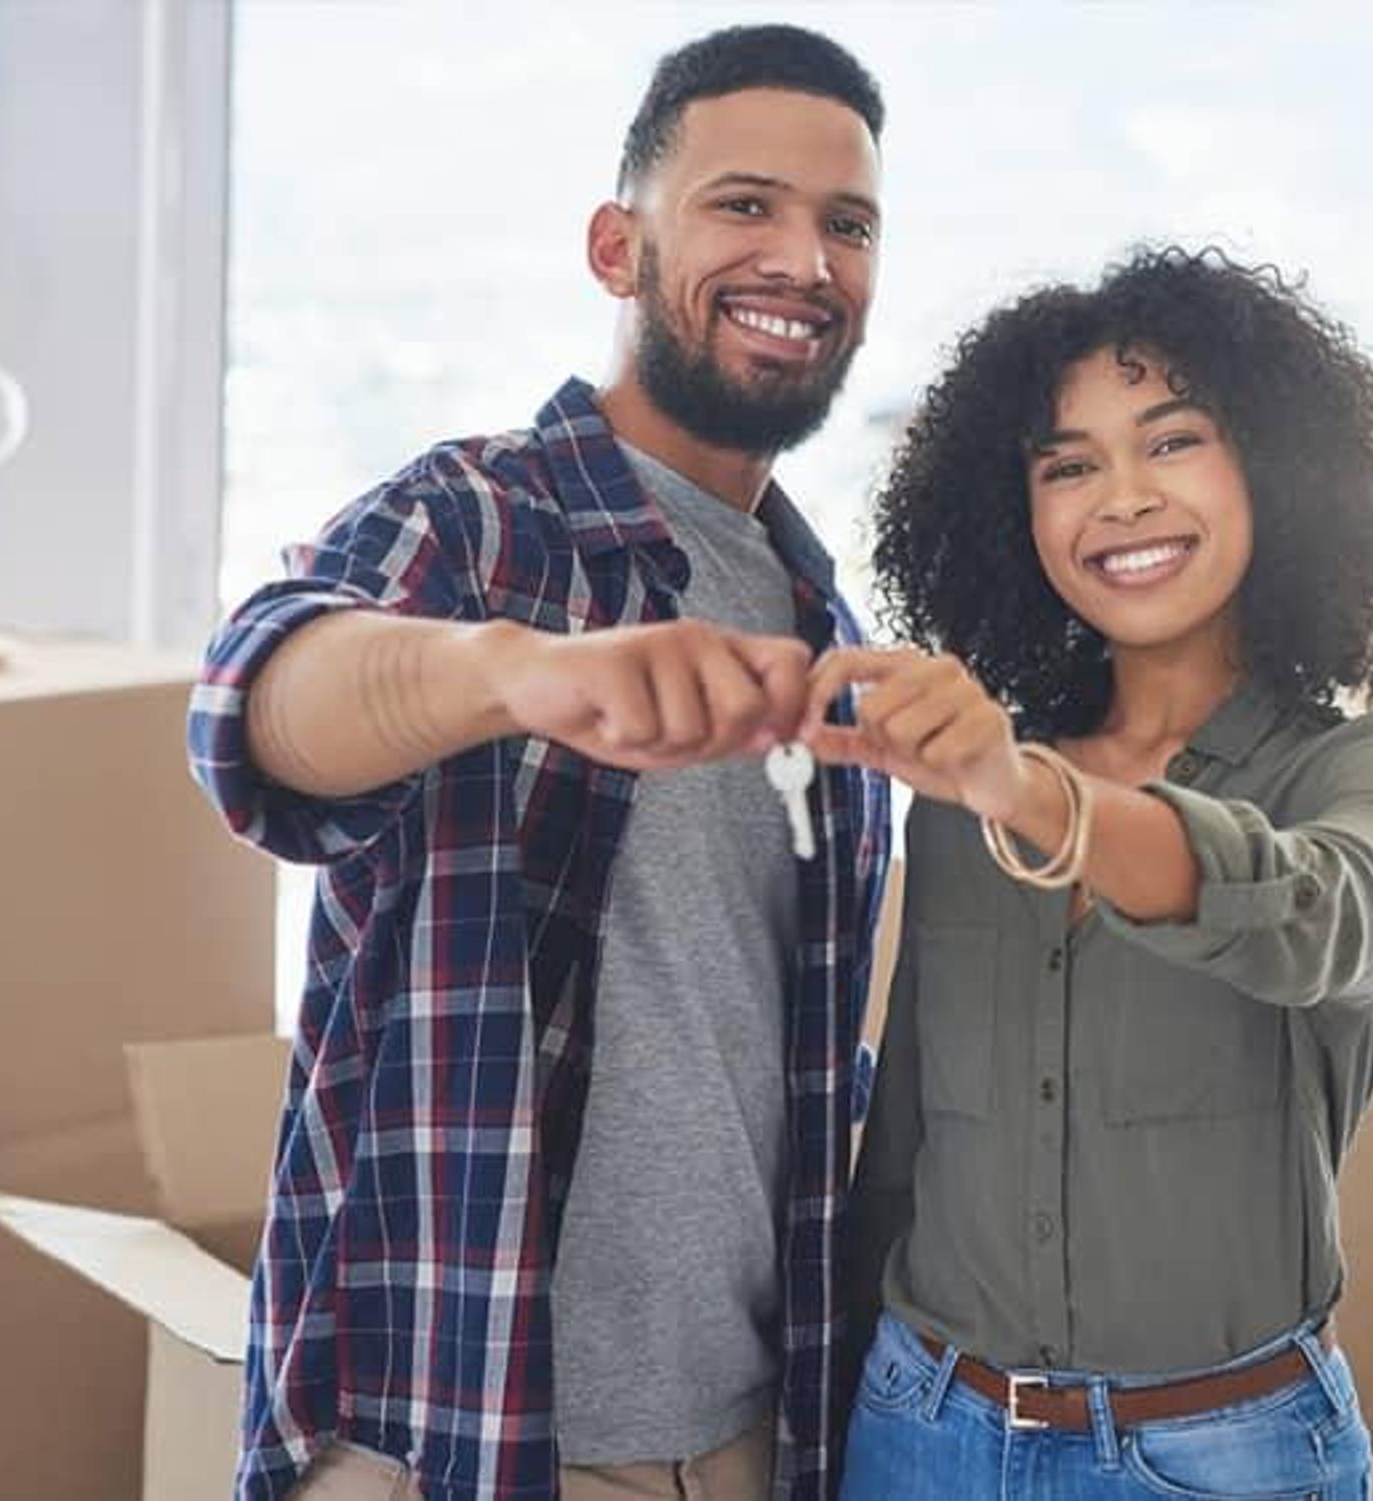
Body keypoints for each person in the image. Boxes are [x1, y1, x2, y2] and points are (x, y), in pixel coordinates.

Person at [186, 26, 891, 1501]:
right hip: (449, 1428)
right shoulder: (477, 523)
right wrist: (513, 669)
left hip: (743, 1437)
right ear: (616, 244)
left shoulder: (821, 620)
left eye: (847, 224)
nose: (803, 261)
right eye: (743, 205)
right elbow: (259, 706)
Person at [804, 247, 1373, 1500]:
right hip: (917, 1428)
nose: (1119, 498)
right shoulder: (970, 789)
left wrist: (1029, 795)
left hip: (1228, 1455)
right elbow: (907, 1146)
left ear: (1272, 464)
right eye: (1067, 464)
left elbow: (1318, 918)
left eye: (1171, 442)